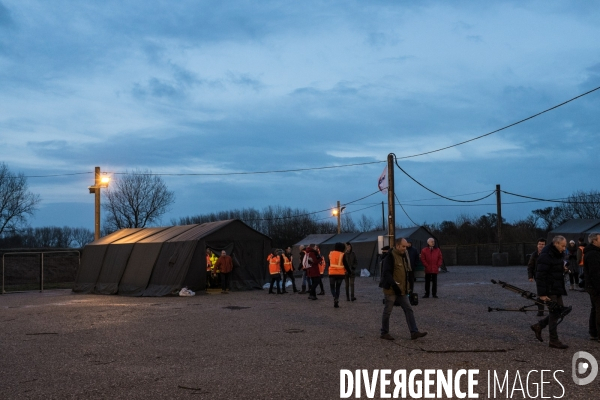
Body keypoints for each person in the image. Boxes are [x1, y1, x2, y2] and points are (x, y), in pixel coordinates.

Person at [379, 238, 427, 341]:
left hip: (402, 290)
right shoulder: (390, 257)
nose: (405, 248)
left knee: (409, 309)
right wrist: (394, 286)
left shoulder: (404, 256)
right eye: (403, 246)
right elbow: (386, 273)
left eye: (406, 246)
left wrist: (408, 287)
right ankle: (384, 332)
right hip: (391, 290)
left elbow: (406, 272)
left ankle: (414, 332)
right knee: (388, 311)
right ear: (398, 246)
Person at [530, 236, 569, 349]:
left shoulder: (556, 254)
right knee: (554, 312)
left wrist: (563, 269)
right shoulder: (546, 256)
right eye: (563, 246)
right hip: (549, 288)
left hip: (556, 287)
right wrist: (542, 294)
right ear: (556, 244)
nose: (564, 248)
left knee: (559, 310)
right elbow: (540, 276)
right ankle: (553, 340)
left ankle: (539, 325)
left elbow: (554, 269)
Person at [583, 232, 600, 342]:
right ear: (594, 241)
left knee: (595, 309)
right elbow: (595, 273)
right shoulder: (593, 254)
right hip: (595, 286)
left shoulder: (592, 252)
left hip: (591, 285)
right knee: (599, 309)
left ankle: (593, 332)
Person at [527, 238, 547, 316]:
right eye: (540, 244)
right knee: (540, 294)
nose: (541, 246)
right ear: (537, 245)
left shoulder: (548, 254)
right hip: (538, 277)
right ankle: (540, 311)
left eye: (543, 244)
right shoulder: (534, 255)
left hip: (547, 276)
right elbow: (530, 266)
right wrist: (530, 276)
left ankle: (552, 310)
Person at [329, 242, 349, 308]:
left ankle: (335, 297)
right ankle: (336, 303)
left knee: (332, 287)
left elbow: (329, 262)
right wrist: (349, 271)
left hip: (332, 273)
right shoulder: (342, 254)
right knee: (338, 287)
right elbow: (345, 264)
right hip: (340, 274)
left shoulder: (331, 253)